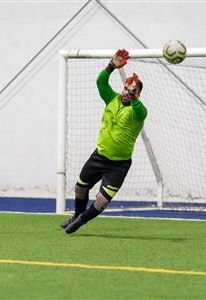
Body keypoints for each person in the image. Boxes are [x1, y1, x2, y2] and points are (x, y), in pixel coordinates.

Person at [60, 49, 147, 234]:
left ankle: (81, 220)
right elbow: (100, 82)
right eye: (126, 88)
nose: (127, 92)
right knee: (80, 188)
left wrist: (134, 97)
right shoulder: (111, 98)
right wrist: (111, 66)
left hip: (119, 165)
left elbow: (141, 111)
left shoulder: (138, 112)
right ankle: (76, 215)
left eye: (132, 90)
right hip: (99, 156)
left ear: (138, 94)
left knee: (101, 201)